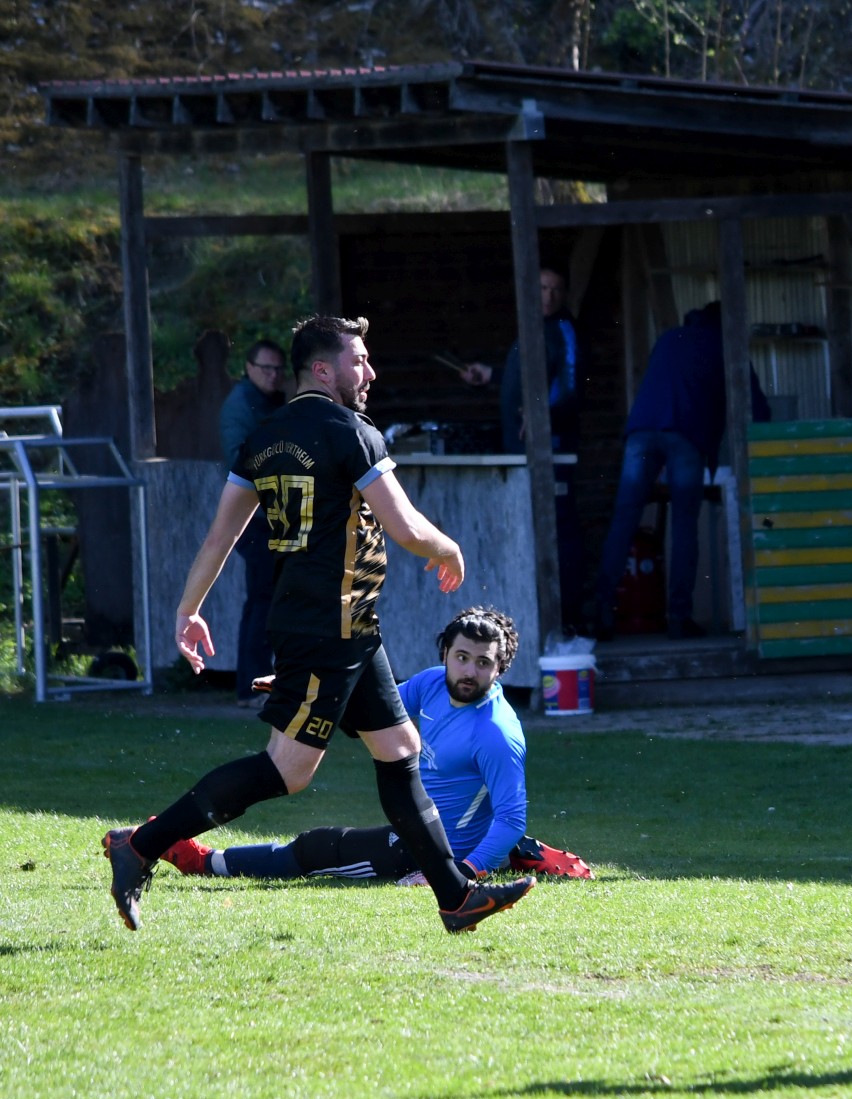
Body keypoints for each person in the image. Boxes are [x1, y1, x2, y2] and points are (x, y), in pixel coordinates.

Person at [101, 314, 535, 935]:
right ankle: (142, 845)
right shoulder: (349, 432)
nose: (371, 371)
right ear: (324, 369)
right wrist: (449, 549)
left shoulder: (264, 436)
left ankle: (456, 897)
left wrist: (187, 609)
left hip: (346, 627)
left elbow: (220, 537)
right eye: (360, 360)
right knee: (286, 769)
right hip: (330, 628)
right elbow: (406, 527)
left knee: (401, 750)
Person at [156, 606, 594, 885]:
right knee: (325, 841)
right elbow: (368, 714)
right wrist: (299, 691)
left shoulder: (497, 733)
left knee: (316, 850)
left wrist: (460, 872)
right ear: (446, 653)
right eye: (461, 657)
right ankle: (513, 857)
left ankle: (203, 862)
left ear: (500, 669)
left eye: (483, 663)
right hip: (419, 827)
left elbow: (512, 816)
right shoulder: (432, 684)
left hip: (433, 850)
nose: (468, 671)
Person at [594, 302, 770, 641]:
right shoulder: (725, 344)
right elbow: (757, 407)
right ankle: (679, 617)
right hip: (685, 437)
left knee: (624, 520)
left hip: (641, 432)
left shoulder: (669, 337)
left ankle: (603, 612)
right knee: (685, 526)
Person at [461, 267, 587, 629]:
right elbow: (526, 379)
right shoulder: (531, 329)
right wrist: (490, 375)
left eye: (556, 289)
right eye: (542, 288)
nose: (548, 296)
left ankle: (568, 617)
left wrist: (541, 412)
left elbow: (569, 382)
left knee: (558, 527)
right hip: (521, 450)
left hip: (552, 449)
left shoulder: (563, 328)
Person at [216, 337, 289, 707]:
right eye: (267, 369)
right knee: (262, 601)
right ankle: (251, 688)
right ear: (248, 368)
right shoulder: (241, 406)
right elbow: (242, 465)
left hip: (272, 517)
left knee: (270, 600)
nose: (274, 375)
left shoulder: (273, 401)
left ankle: (259, 686)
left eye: (279, 369)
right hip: (255, 519)